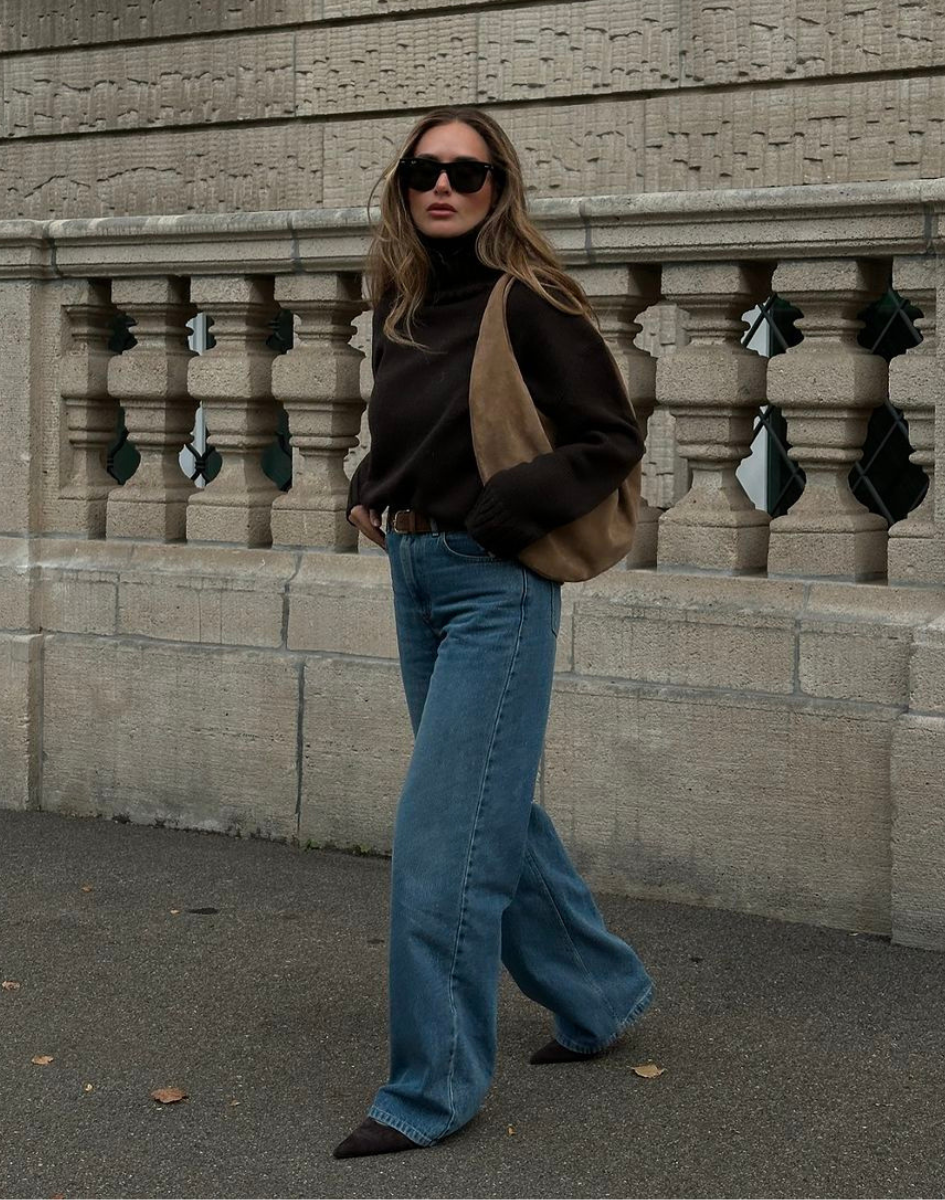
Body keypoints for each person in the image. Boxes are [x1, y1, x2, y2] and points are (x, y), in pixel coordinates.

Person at [335, 106, 653, 1160]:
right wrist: (368, 488)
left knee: (443, 844)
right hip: (416, 576)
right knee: (489, 813)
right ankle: (600, 993)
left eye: (465, 173)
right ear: (402, 185)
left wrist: (507, 509)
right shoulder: (403, 305)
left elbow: (607, 437)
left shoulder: (533, 302)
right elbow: (407, 425)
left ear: (497, 187)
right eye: (425, 170)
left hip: (493, 587)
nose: (443, 187)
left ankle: (431, 1088)